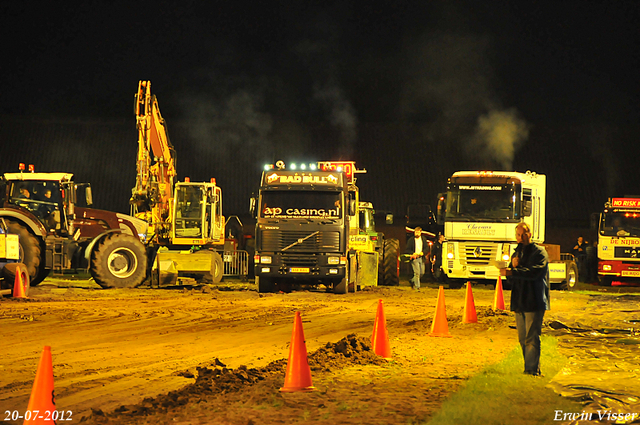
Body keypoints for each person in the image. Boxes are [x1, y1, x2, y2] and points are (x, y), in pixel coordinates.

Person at [499, 222, 550, 376]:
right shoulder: (517, 253)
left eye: (523, 234)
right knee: (523, 338)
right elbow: (511, 280)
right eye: (518, 235)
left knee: (531, 337)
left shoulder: (540, 252)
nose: (520, 238)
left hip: (534, 300)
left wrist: (513, 271)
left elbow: (534, 273)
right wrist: (511, 269)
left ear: (530, 234)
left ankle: (532, 370)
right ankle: (528, 368)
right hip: (519, 300)